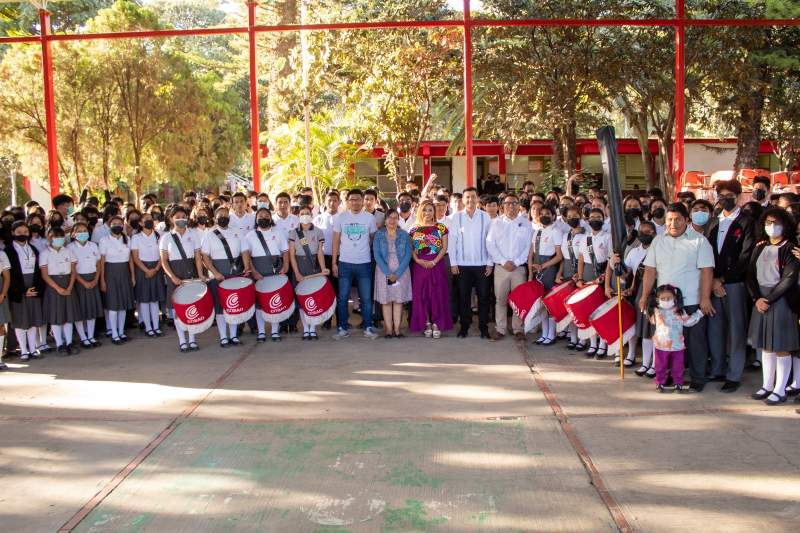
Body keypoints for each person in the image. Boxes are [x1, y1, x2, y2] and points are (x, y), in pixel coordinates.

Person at [639, 202, 715, 392]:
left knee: (695, 342)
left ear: (686, 220)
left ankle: (698, 377)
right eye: (669, 220)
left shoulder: (699, 241)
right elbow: (650, 270)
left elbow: (707, 271)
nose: (673, 224)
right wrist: (644, 296)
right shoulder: (658, 241)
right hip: (665, 305)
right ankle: (671, 377)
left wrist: (705, 299)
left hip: (691, 301)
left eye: (678, 219)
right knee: (669, 342)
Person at [706, 180, 755, 392]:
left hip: (734, 283)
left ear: (738, 197)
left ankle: (734, 373)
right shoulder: (713, 223)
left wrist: (723, 279)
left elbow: (746, 255)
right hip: (712, 283)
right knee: (716, 328)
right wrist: (713, 280)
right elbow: (706, 252)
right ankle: (717, 368)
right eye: (722, 195)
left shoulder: (746, 222)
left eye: (730, 195)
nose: (725, 199)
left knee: (736, 328)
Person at [747, 208, 799, 405]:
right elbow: (750, 276)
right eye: (768, 222)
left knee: (781, 346)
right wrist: (756, 298)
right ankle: (767, 385)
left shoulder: (790, 248)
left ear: (785, 225)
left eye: (776, 222)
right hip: (761, 300)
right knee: (766, 347)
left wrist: (768, 299)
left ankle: (780, 389)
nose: (772, 226)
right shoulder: (760, 247)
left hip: (781, 301)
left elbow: (789, 278)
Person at [607, 221, 657, 370]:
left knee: (653, 330)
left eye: (648, 232)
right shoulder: (634, 252)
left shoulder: (658, 250)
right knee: (641, 329)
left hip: (655, 293)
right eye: (641, 232)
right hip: (638, 293)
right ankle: (644, 362)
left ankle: (656, 364)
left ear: (655, 233)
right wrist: (615, 264)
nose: (644, 235)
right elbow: (626, 275)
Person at [332, 189, 379, 340]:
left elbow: (373, 238)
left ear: (362, 200)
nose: (355, 202)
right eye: (352, 199)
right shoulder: (341, 217)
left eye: (358, 199)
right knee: (343, 297)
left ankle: (368, 327)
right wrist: (334, 262)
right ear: (347, 202)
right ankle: (342, 328)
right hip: (344, 263)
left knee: (365, 298)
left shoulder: (369, 218)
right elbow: (335, 241)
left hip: (364, 263)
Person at [486, 193, 532, 341]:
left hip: (518, 268)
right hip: (501, 267)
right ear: (502, 206)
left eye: (514, 203)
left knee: (518, 299)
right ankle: (500, 329)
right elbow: (490, 244)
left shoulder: (526, 223)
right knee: (500, 299)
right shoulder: (496, 223)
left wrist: (517, 262)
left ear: (519, 205)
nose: (511, 206)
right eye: (507, 203)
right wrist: (503, 261)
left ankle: (518, 329)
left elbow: (528, 247)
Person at [449, 187, 493, 339]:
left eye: (473, 197)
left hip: (482, 265)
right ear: (463, 200)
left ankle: (483, 327)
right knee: (464, 297)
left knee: (484, 297)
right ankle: (464, 327)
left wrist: (490, 263)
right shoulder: (456, 218)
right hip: (462, 265)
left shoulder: (485, 217)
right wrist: (453, 263)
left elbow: (490, 240)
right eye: (467, 197)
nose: (470, 200)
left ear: (477, 199)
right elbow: (452, 241)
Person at [242, 208, 290, 342]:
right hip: (259, 273)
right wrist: (254, 271)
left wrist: (286, 265)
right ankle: (261, 332)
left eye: (266, 216)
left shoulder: (278, 233)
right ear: (256, 220)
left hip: (275, 271)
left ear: (271, 218)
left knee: (275, 301)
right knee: (259, 303)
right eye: (260, 216)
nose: (263, 218)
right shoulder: (250, 235)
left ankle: (275, 331)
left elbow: (285, 251)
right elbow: (247, 255)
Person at [160, 207, 204, 353]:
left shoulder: (194, 234)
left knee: (191, 307)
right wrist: (172, 277)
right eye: (177, 216)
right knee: (178, 310)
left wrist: (200, 275)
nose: (181, 218)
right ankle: (182, 341)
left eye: (183, 216)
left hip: (190, 274)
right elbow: (164, 261)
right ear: (171, 219)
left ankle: (192, 340)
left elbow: (198, 257)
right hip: (175, 275)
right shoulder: (166, 237)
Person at [649, 284, 705, 393]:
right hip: (661, 346)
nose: (666, 301)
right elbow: (652, 321)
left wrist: (699, 314)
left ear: (674, 298)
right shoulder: (656, 311)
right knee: (660, 367)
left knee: (678, 367)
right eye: (663, 299)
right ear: (657, 299)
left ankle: (678, 384)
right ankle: (659, 383)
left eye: (669, 298)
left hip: (677, 346)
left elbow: (688, 322)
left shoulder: (679, 311)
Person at [409, 200, 452, 338]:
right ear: (420, 211)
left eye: (430, 210)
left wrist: (433, 262)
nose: (427, 213)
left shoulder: (441, 228)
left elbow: (444, 248)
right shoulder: (413, 229)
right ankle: (426, 322)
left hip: (437, 264)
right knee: (422, 295)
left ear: (434, 212)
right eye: (425, 210)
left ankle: (437, 324)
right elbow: (411, 249)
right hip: (419, 265)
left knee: (437, 294)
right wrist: (418, 260)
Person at [202, 206, 244, 347]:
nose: (223, 218)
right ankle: (223, 337)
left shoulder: (236, 232)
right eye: (220, 215)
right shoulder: (209, 234)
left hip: (235, 273)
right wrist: (215, 273)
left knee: (233, 305)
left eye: (226, 215)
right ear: (215, 218)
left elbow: (244, 251)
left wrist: (246, 267)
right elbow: (205, 257)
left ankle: (233, 335)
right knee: (220, 307)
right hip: (218, 275)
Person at [6, 221, 45, 361]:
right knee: (21, 321)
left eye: (25, 232)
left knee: (33, 319)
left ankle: (33, 348)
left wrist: (35, 288)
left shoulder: (33, 249)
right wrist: (23, 291)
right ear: (12, 233)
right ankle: (23, 350)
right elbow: (9, 274)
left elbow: (38, 271)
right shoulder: (8, 251)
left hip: (33, 286)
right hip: (18, 288)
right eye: (19, 232)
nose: (23, 235)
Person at [288, 206, 327, 340]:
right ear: (298, 216)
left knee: (313, 298)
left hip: (313, 267)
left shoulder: (318, 231)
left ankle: (312, 328)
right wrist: (297, 273)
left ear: (312, 215)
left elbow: (320, 252)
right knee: (302, 299)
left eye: (308, 213)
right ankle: (305, 328)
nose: (305, 215)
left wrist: (322, 269)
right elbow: (292, 255)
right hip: (299, 266)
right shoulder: (294, 232)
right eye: (302, 213)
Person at [577, 208, 611, 358]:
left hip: (602, 275)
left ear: (603, 219)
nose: (595, 219)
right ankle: (592, 343)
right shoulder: (584, 238)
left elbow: (610, 260)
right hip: (587, 275)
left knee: (601, 312)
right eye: (592, 217)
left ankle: (603, 343)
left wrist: (604, 277)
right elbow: (581, 259)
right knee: (589, 311)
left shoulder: (608, 237)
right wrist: (579, 278)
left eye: (598, 217)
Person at [40, 227, 80, 355]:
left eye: (60, 237)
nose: (58, 240)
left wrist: (69, 287)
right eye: (55, 237)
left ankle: (69, 342)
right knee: (56, 316)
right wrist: (58, 288)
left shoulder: (68, 251)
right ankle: (59, 344)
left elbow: (73, 271)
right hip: (53, 285)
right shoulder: (44, 253)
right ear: (49, 238)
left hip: (68, 283)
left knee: (68, 316)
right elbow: (44, 275)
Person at [373, 210, 412, 338]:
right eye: (390, 218)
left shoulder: (404, 235)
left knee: (398, 301)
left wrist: (397, 273)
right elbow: (377, 255)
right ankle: (389, 330)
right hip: (384, 271)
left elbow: (408, 254)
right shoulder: (379, 235)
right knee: (386, 301)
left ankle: (397, 330)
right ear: (385, 220)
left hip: (401, 271)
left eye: (395, 218)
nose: (392, 220)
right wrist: (388, 273)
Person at [528, 204, 563, 345]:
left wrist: (544, 266)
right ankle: (544, 333)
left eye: (548, 214)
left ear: (553, 215)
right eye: (541, 213)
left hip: (549, 267)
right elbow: (531, 253)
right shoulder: (537, 231)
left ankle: (551, 334)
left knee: (549, 302)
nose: (544, 216)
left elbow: (559, 256)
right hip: (537, 267)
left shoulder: (556, 231)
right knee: (540, 302)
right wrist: (531, 271)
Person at [99, 215, 135, 346]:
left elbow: (130, 259)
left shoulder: (127, 239)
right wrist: (102, 279)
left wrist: (132, 276)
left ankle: (121, 331)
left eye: (120, 223)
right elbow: (102, 261)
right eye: (114, 223)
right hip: (110, 273)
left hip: (124, 272)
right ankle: (114, 333)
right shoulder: (104, 240)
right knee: (113, 305)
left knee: (123, 305)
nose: (117, 226)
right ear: (109, 225)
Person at [68, 222, 103, 348]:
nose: (83, 233)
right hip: (79, 281)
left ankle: (91, 336)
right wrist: (83, 281)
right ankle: (83, 337)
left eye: (85, 231)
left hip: (93, 278)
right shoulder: (70, 248)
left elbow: (98, 264)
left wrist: (95, 279)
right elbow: (72, 269)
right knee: (80, 310)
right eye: (80, 231)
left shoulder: (93, 245)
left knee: (91, 310)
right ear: (73, 234)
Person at [555, 205, 586, 350]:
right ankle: (573, 338)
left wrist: (580, 275)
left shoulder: (586, 234)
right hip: (567, 273)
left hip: (581, 274)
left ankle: (583, 339)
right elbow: (562, 258)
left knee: (581, 307)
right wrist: (559, 273)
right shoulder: (564, 235)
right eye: (570, 216)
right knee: (570, 308)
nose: (573, 218)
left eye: (576, 216)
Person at [130, 212, 165, 338]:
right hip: (142, 269)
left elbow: (162, 254)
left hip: (157, 268)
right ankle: (148, 327)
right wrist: (146, 270)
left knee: (154, 299)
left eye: (151, 219)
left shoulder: (158, 236)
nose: (149, 221)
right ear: (140, 223)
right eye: (146, 220)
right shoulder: (136, 237)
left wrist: (156, 269)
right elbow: (135, 257)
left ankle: (156, 326)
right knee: (144, 300)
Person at [314, 190, 340, 330]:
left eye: (335, 200)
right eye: (329, 200)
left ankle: (341, 320)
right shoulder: (318, 219)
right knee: (326, 291)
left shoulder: (343, 218)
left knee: (340, 291)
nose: (332, 203)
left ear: (339, 202)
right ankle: (327, 320)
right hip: (323, 259)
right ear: (325, 202)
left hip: (340, 259)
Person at [0, 248, 9, 370]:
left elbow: (7, 276)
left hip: (0, 290)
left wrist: (3, 293)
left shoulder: (1, 253)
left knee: (0, 325)